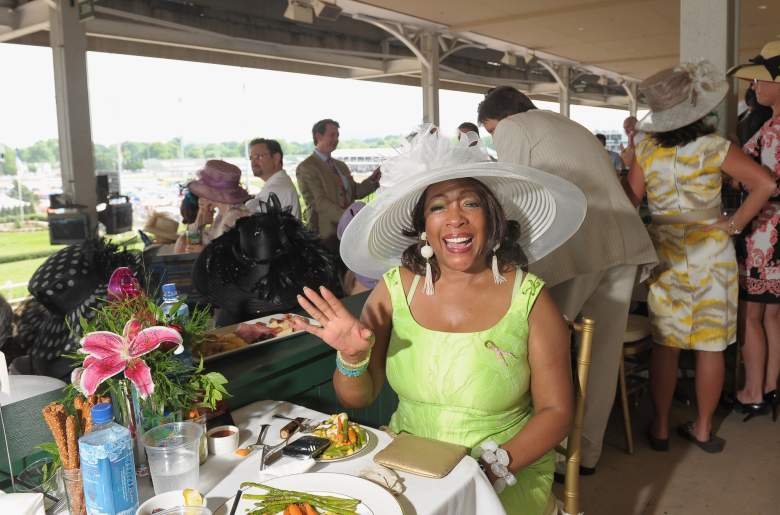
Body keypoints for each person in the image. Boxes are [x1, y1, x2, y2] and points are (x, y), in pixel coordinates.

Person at [292, 129, 587, 515]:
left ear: (492, 218)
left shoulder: (531, 298)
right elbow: (358, 397)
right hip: (408, 465)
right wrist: (352, 359)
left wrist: (490, 469)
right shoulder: (395, 288)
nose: (455, 219)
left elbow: (557, 412)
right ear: (423, 229)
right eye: (437, 207)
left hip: (505, 468)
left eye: (470, 203)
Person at [478, 86, 657, 475]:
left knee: (543, 353)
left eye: (491, 131)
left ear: (499, 119)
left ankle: (541, 448)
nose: (496, 138)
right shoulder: (566, 123)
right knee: (603, 354)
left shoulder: (513, 127)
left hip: (578, 250)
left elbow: (512, 193)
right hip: (621, 243)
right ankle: (584, 455)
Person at [623, 61, 775, 451]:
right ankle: (704, 429)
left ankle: (658, 427)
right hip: (711, 253)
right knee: (710, 345)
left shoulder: (646, 148)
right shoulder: (715, 146)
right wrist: (735, 223)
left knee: (666, 344)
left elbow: (630, 202)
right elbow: (765, 183)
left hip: (667, 252)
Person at [728, 41, 780, 421]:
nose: (756, 87)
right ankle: (772, 385)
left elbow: (763, 182)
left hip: (765, 229)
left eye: (764, 80)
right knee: (772, 317)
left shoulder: (774, 128)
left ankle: (752, 390)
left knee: (751, 317)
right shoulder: (769, 124)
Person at [296, 119, 381, 252]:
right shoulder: (307, 167)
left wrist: (373, 181)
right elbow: (320, 202)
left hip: (348, 233)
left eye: (337, 135)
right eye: (332, 135)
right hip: (325, 235)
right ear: (318, 136)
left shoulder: (341, 166)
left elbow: (355, 192)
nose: (336, 139)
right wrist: (348, 217)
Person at [175, 160, 251, 252]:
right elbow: (194, 242)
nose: (200, 194)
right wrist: (200, 218)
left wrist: (203, 251)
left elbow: (232, 254)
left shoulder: (234, 216)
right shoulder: (222, 215)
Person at [245, 138, 301, 219]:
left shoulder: (276, 188)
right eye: (251, 158)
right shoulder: (279, 182)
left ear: (276, 158)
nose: (253, 163)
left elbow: (246, 219)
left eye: (258, 157)